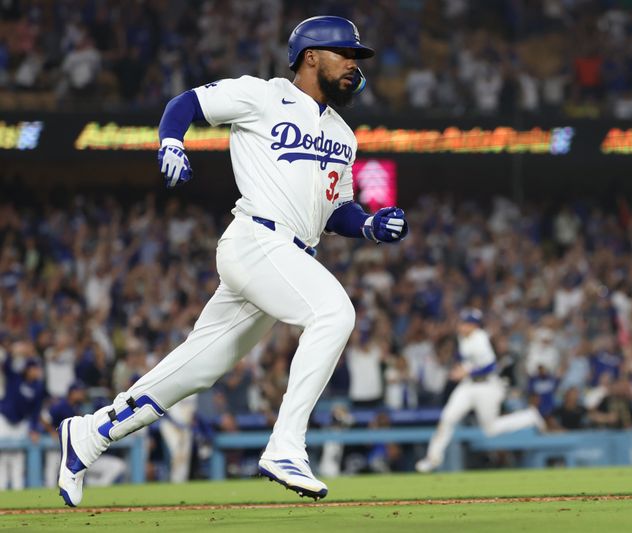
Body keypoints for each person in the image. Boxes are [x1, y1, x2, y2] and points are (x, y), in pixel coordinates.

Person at [57, 15, 408, 506]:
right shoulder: (263, 96)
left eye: (357, 58)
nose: (354, 64)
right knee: (334, 312)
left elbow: (335, 210)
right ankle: (286, 446)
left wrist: (368, 224)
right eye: (345, 54)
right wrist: (171, 141)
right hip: (255, 240)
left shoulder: (344, 136)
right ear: (311, 57)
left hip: (286, 257)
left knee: (196, 369)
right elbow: (187, 104)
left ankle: (90, 432)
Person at [415, 309, 546, 473]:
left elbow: (491, 366)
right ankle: (433, 458)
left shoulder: (480, 339)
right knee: (447, 417)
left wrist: (466, 371)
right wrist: (461, 368)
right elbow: (466, 359)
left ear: (473, 325)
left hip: (487, 387)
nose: (461, 325)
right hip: (469, 386)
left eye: (465, 323)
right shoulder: (464, 338)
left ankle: (529, 416)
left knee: (490, 429)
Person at [0, 343, 45, 490]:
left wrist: (33, 429)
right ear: (27, 369)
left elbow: (36, 411)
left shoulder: (38, 387)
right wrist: (14, 352)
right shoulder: (15, 378)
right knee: (3, 458)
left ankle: (17, 491)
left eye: (37, 368)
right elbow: (6, 365)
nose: (36, 371)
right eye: (33, 368)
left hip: (20, 423)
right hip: (5, 420)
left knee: (18, 458)